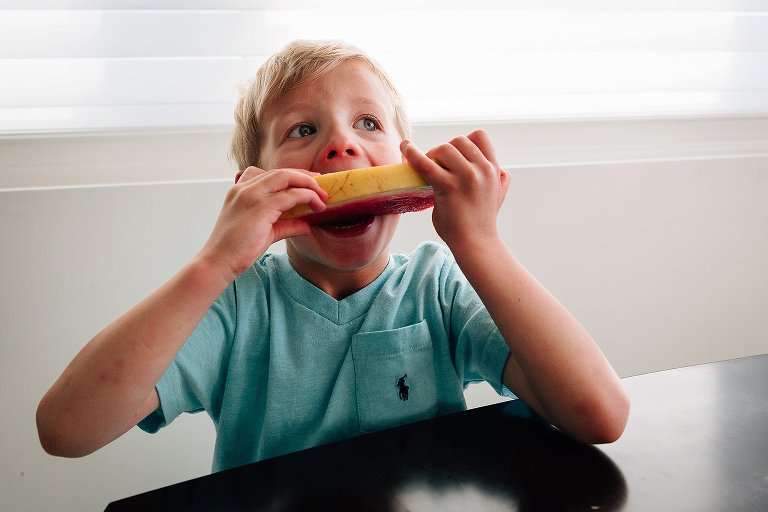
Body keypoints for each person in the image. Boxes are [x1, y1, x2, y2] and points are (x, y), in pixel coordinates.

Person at [36, 40, 629, 472]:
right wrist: (213, 265)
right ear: (254, 184)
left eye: (368, 122)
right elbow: (66, 430)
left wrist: (481, 243)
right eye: (301, 130)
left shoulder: (439, 285)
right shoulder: (235, 305)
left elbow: (600, 414)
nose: (341, 144)